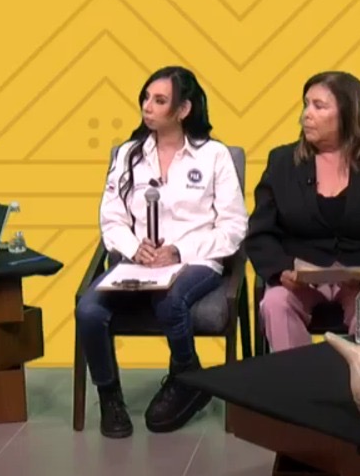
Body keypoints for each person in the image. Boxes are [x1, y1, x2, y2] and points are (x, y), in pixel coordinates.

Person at [77, 66, 248, 438]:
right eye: (145, 98)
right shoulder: (129, 154)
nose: (147, 106)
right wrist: (133, 248)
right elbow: (111, 219)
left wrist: (179, 251)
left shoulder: (214, 156)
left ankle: (185, 376)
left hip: (196, 260)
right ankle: (110, 397)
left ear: (183, 109)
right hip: (137, 264)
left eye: (159, 100)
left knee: (170, 301)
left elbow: (233, 227)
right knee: (88, 310)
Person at [245, 71, 360, 350]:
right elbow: (260, 233)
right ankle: (294, 379)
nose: (306, 115)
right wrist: (281, 271)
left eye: (319, 106)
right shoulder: (282, 162)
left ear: (348, 114)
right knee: (275, 303)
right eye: (306, 105)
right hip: (300, 281)